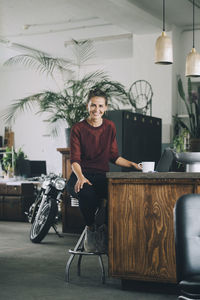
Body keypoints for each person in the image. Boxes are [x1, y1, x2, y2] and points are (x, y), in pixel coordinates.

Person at [67, 88, 141, 252]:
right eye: (93, 105)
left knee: (119, 194)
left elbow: (114, 156)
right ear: (87, 106)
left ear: (106, 108)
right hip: (79, 176)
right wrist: (80, 177)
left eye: (100, 106)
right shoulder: (78, 129)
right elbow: (75, 160)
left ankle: (107, 231)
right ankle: (91, 230)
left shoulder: (109, 127)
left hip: (100, 176)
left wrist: (133, 165)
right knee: (87, 192)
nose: (96, 110)